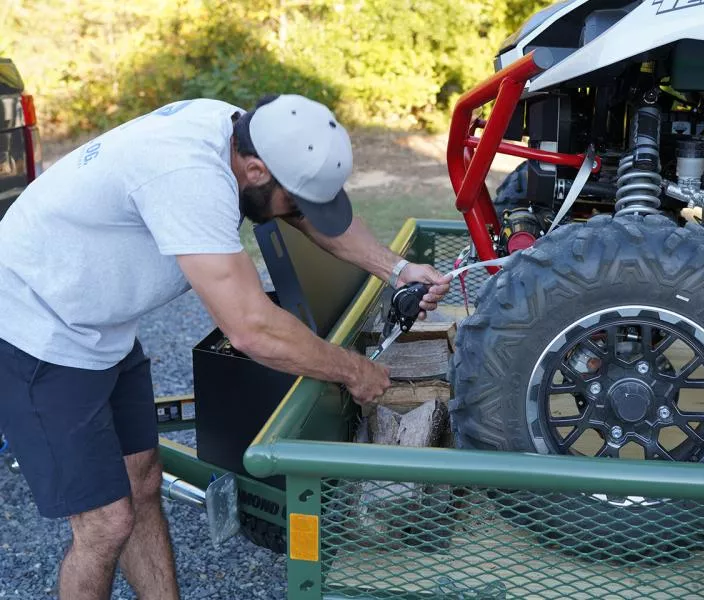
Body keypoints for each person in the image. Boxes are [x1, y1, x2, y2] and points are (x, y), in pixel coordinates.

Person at [0, 94, 451, 599]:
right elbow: (251, 329)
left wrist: (396, 270)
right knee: (105, 523)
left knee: (142, 480)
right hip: (36, 328)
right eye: (296, 200)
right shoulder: (189, 179)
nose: (301, 214)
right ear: (256, 170)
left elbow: (309, 217)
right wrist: (353, 371)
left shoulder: (244, 131)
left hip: (97, 320)